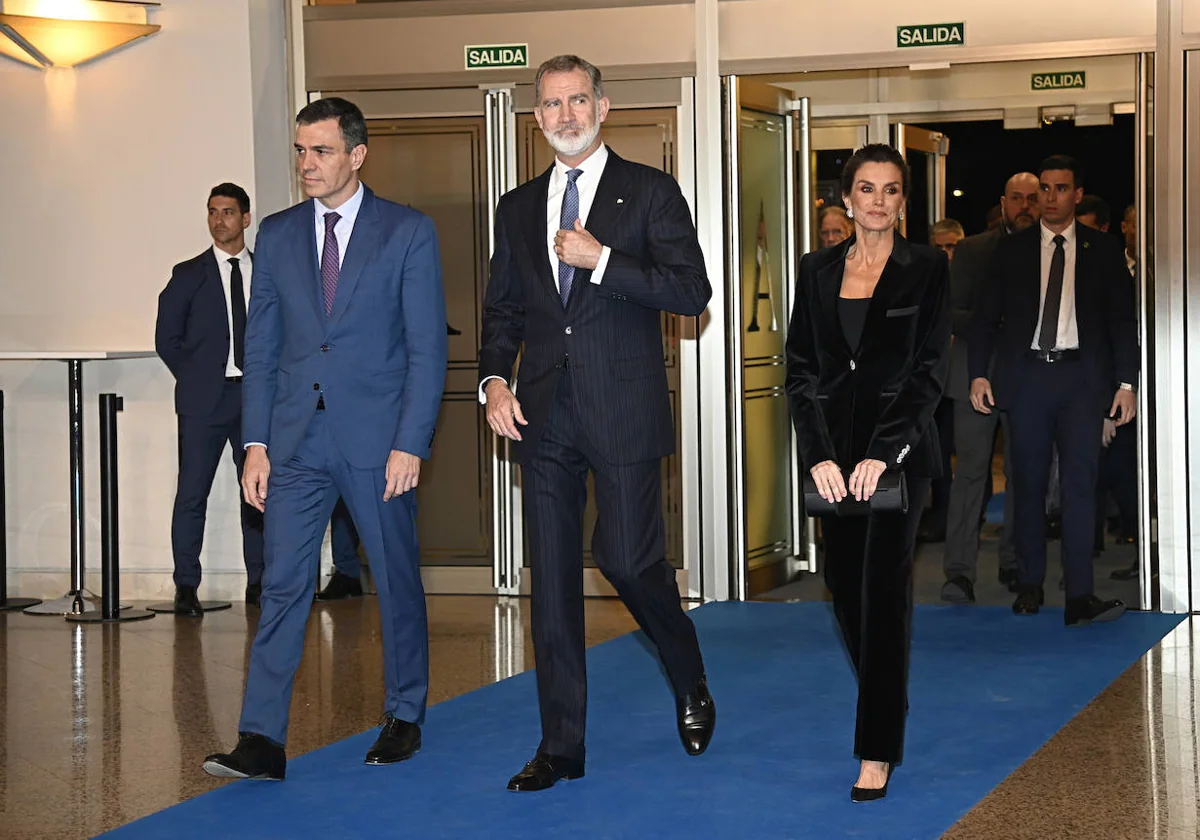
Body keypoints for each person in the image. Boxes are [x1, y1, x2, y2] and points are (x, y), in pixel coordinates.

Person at [479, 54, 715, 793]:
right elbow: (505, 310)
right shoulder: (517, 208)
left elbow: (691, 291)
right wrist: (492, 380)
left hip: (623, 410)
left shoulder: (650, 191)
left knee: (628, 560)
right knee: (549, 583)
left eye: (578, 100)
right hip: (542, 416)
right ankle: (562, 747)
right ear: (538, 117)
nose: (566, 115)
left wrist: (604, 258)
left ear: (603, 107)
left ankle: (688, 674)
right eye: (551, 105)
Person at [202, 97, 448, 781]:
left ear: (356, 155)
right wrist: (257, 443)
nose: (307, 165)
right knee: (282, 584)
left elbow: (427, 350)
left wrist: (412, 443)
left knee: (395, 580)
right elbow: (264, 347)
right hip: (296, 442)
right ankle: (261, 738)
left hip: (379, 441)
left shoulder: (407, 232)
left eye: (321, 152)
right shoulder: (277, 236)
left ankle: (404, 715)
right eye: (301, 151)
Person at [786, 143, 950, 802]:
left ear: (901, 202)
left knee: (883, 596)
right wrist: (820, 454)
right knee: (843, 588)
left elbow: (929, 371)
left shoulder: (927, 268)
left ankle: (875, 749)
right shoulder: (815, 269)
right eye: (866, 188)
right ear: (847, 198)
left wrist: (884, 453)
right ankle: (888, 696)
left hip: (899, 460)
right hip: (835, 460)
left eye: (890, 190)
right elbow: (802, 371)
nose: (877, 201)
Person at [969, 155, 1137, 626]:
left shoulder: (1103, 252)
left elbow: (1123, 324)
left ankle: (1080, 595)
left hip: (1083, 381)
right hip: (1027, 381)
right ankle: (1029, 585)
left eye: (1060, 189)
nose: (1050, 197)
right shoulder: (1012, 250)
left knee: (1081, 489)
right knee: (1026, 485)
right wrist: (979, 374)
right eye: (1044, 188)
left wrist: (1126, 384)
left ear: (1077, 194)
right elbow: (985, 319)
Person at [156, 183, 265, 614]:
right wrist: (199, 378)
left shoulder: (265, 271)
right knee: (192, 493)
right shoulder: (188, 274)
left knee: (256, 494)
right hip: (204, 401)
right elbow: (167, 338)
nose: (219, 220)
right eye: (213, 212)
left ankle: (260, 582)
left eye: (228, 212)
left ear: (245, 218)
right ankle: (186, 585)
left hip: (255, 400)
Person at [940, 172, 1040, 602]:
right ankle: (958, 573)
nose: (1024, 206)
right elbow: (952, 311)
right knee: (970, 476)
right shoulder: (972, 249)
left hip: (1029, 378)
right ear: (1003, 203)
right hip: (971, 376)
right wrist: (996, 321)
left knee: (1023, 474)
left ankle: (1015, 562)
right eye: (1016, 198)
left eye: (1032, 199)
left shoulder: (1055, 252)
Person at [918, 218, 966, 544]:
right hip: (926, 380)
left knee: (962, 452)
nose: (947, 253)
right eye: (941, 247)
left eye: (953, 247)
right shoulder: (920, 277)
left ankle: (958, 517)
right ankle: (937, 514)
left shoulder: (972, 277)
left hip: (961, 378)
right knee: (934, 452)